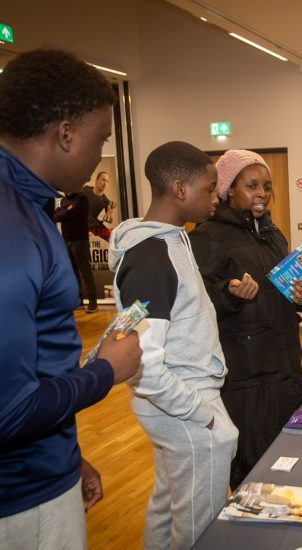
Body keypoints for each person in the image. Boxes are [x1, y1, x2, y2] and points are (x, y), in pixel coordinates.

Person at [0, 49, 141, 548]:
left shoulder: (28, 205)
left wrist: (69, 456)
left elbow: (32, 367)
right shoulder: (12, 227)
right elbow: (9, 410)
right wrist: (105, 371)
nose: (98, 155)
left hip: (42, 467)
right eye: (100, 139)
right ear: (65, 134)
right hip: (22, 498)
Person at [109, 141, 238, 549]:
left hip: (180, 402)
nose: (216, 197)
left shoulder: (171, 242)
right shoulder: (151, 257)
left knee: (168, 506)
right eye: (209, 188)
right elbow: (142, 364)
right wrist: (204, 416)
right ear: (180, 189)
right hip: (183, 403)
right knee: (200, 528)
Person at [189, 149, 302, 489]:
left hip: (286, 366)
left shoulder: (273, 234)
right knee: (254, 470)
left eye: (267, 186)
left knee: (291, 458)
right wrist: (230, 294)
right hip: (246, 375)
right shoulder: (207, 236)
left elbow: (286, 291)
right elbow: (197, 305)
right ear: (229, 189)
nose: (262, 193)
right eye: (252, 185)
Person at [55, 192, 99, 312]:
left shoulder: (82, 198)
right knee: (73, 273)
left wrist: (64, 212)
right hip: (67, 240)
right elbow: (56, 216)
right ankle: (78, 301)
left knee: (85, 272)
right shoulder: (64, 200)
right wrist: (66, 211)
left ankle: (93, 302)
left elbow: (70, 214)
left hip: (80, 240)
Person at [82, 170, 115, 240]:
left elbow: (108, 220)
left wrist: (109, 215)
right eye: (103, 180)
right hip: (79, 219)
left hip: (91, 224)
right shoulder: (86, 189)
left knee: (110, 236)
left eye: (107, 181)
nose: (105, 183)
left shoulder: (107, 201)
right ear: (97, 180)